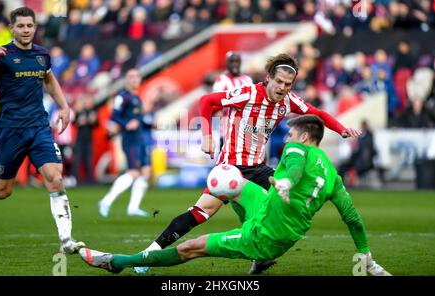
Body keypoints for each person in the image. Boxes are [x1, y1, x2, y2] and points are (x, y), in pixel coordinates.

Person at [135, 53, 362, 274]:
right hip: (231, 167)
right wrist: (207, 136)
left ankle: (260, 258)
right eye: (279, 82)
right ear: (268, 78)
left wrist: (342, 129)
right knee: (201, 212)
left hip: (259, 168)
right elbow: (207, 101)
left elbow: (318, 113)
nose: (282, 88)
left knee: (280, 203)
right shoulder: (247, 94)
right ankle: (148, 255)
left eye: (288, 84)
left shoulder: (288, 101)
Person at [79, 115, 391, 276]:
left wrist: (286, 182)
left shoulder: (297, 148)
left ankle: (118, 262)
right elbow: (352, 217)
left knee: (191, 248)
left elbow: (295, 165)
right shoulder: (334, 176)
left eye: (293, 134)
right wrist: (366, 256)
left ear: (306, 137)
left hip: (267, 232)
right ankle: (254, 240)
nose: (289, 138)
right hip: (274, 211)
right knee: (232, 183)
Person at [0, 7, 85, 254]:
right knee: (2, 191)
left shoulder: (42, 55)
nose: (26, 30)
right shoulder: (2, 56)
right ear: (12, 28)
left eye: (30, 26)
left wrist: (64, 106)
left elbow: (49, 80)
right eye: (21, 26)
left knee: (55, 177)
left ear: (35, 27)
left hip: (39, 127)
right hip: (10, 129)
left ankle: (67, 240)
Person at [98, 69, 151, 218]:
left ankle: (133, 207)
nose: (134, 79)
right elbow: (114, 116)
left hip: (140, 139)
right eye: (131, 77)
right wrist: (126, 123)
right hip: (130, 140)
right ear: (127, 80)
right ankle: (106, 201)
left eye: (137, 76)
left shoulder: (137, 98)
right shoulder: (123, 97)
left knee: (146, 172)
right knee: (133, 172)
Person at [212, 51, 253, 150]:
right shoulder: (221, 81)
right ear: (227, 63)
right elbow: (215, 103)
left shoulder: (247, 80)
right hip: (227, 130)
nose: (234, 64)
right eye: (232, 61)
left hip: (245, 129)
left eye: (237, 61)